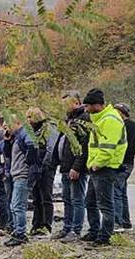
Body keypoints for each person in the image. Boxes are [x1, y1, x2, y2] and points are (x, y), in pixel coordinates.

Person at [82, 88, 127, 247]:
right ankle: (94, 231)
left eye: (87, 106)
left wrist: (96, 164)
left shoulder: (110, 119)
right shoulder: (99, 119)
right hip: (96, 167)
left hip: (105, 168)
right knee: (90, 202)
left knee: (105, 204)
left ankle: (104, 237)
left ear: (96, 105)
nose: (86, 110)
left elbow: (108, 147)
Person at [52, 90, 90, 242]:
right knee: (67, 199)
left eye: (67, 103)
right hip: (65, 166)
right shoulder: (68, 120)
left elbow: (84, 146)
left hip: (75, 167)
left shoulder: (83, 119)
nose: (65, 107)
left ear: (77, 103)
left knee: (77, 199)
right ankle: (67, 227)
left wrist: (77, 166)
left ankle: (76, 230)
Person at [4, 114, 37, 247]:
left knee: (18, 206)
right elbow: (6, 154)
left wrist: (27, 164)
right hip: (17, 175)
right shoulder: (16, 137)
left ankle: (21, 233)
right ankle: (17, 231)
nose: (7, 127)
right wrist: (7, 141)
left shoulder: (25, 133)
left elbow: (32, 146)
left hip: (22, 175)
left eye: (8, 124)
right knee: (14, 205)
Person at [27, 107, 59, 236]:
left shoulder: (49, 129)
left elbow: (50, 148)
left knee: (46, 197)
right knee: (36, 197)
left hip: (47, 167)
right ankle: (36, 224)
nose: (28, 120)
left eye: (30, 117)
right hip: (35, 167)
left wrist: (44, 165)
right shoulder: (31, 131)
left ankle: (46, 225)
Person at [112, 103, 135, 232]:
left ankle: (118, 222)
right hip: (128, 162)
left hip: (123, 163)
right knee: (122, 193)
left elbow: (124, 145)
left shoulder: (126, 126)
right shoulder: (133, 125)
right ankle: (126, 222)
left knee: (116, 192)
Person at [0, 126, 14, 233]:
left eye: (8, 127)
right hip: (6, 176)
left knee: (17, 202)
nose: (6, 129)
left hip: (18, 175)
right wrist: (1, 174)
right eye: (5, 127)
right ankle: (9, 225)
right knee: (8, 200)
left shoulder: (18, 141)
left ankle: (17, 227)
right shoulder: (1, 144)